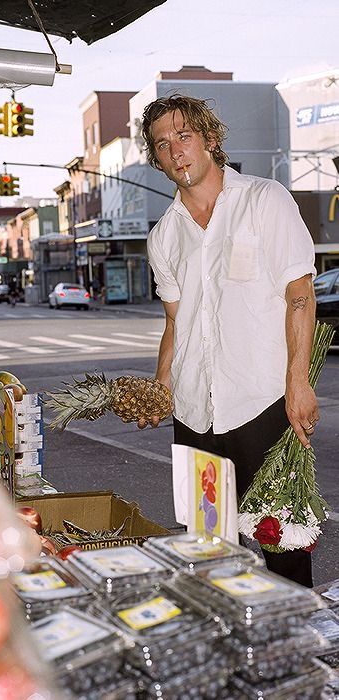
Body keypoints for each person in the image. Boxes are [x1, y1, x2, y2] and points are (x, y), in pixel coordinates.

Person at [140, 94, 317, 587]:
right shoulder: (164, 235)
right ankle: (230, 648)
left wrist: (298, 381)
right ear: (156, 160)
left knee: (282, 540)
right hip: (195, 413)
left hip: (262, 404)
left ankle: (292, 645)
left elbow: (299, 293)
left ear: (210, 140)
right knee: (209, 547)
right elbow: (174, 322)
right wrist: (162, 386)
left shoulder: (265, 199)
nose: (175, 151)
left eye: (184, 136)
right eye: (162, 144)